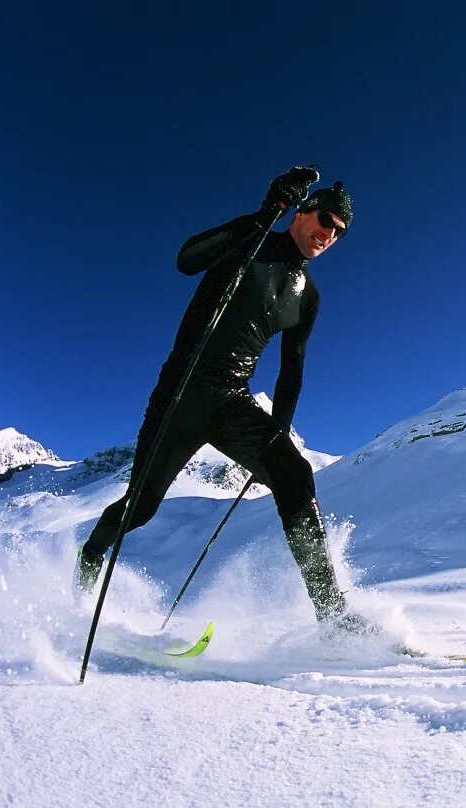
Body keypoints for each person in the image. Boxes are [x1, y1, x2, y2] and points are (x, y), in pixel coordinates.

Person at [76, 167, 353, 625]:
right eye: (325, 219)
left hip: (231, 400)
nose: (328, 234)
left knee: (295, 474)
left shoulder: (309, 296)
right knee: (140, 509)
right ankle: (90, 556)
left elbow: (292, 369)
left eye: (339, 232)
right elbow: (187, 259)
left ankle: (333, 617)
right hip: (181, 391)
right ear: (302, 212)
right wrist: (266, 212)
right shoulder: (252, 240)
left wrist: (279, 430)